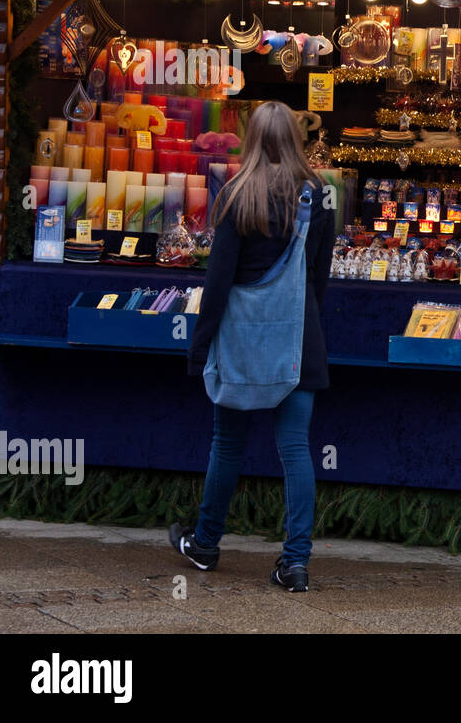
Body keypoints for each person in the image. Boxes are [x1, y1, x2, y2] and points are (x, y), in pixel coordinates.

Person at [170, 101, 333, 593]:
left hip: (241, 341)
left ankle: (205, 543)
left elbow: (217, 285)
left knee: (228, 444)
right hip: (299, 340)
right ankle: (296, 562)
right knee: (296, 450)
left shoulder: (237, 196)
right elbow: (318, 279)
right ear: (296, 140)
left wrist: (200, 348)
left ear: (253, 140)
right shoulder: (318, 196)